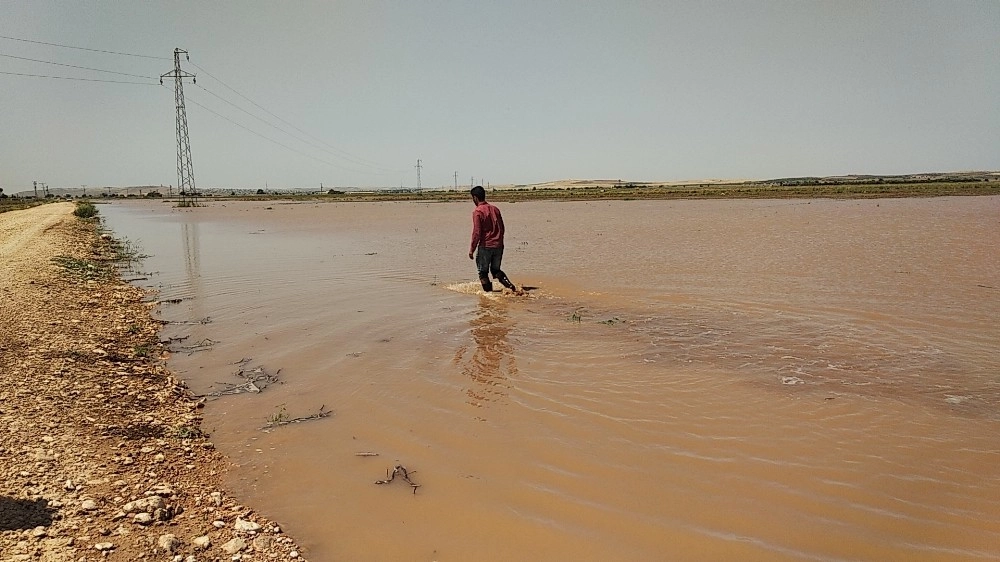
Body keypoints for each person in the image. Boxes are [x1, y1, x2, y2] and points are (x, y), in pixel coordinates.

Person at [468, 185, 519, 293]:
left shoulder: (478, 211)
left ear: (475, 198)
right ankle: (511, 287)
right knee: (496, 270)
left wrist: (471, 250)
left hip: (485, 246)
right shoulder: (495, 209)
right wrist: (499, 241)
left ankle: (489, 295)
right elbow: (502, 227)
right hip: (498, 245)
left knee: (483, 272)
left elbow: (476, 233)